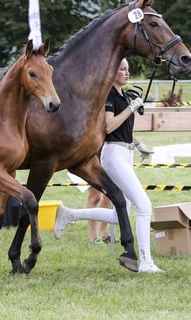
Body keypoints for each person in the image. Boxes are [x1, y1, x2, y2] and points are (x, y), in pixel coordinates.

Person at [54, 58, 163, 273]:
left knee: (117, 215)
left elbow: (125, 131)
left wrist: (139, 146)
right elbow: (110, 125)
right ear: (112, 73)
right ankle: (146, 262)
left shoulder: (123, 95)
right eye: (122, 69)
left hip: (126, 153)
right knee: (144, 205)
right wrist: (131, 109)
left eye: (127, 69)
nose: (126, 73)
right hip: (113, 154)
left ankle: (69, 215)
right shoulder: (109, 95)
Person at [88, 138, 154, 246]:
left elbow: (122, 132)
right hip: (91, 153)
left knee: (107, 197)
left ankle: (103, 233)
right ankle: (93, 237)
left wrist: (138, 144)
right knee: (94, 197)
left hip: (105, 150)